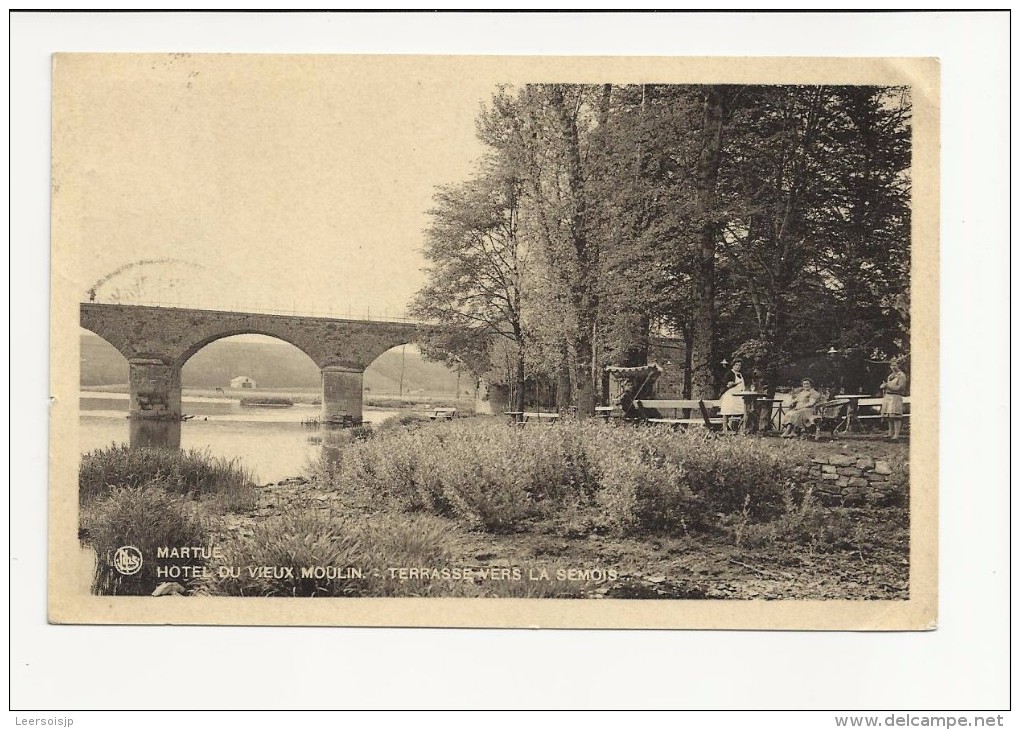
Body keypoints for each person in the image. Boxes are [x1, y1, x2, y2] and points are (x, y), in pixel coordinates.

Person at [881, 360, 909, 440]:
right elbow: (887, 385)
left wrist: (887, 386)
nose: (893, 367)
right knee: (889, 416)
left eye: (895, 365)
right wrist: (884, 386)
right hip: (888, 396)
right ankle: (890, 433)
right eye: (891, 365)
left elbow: (900, 388)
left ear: (898, 366)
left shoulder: (901, 375)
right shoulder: (890, 376)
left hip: (896, 396)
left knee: (896, 416)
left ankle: (896, 435)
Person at [718, 359, 746, 431]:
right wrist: (729, 384)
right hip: (730, 396)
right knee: (727, 411)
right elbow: (724, 383)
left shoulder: (740, 374)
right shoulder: (729, 373)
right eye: (736, 365)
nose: (738, 366)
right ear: (733, 365)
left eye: (739, 365)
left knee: (742, 411)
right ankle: (725, 429)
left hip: (739, 396)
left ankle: (740, 429)